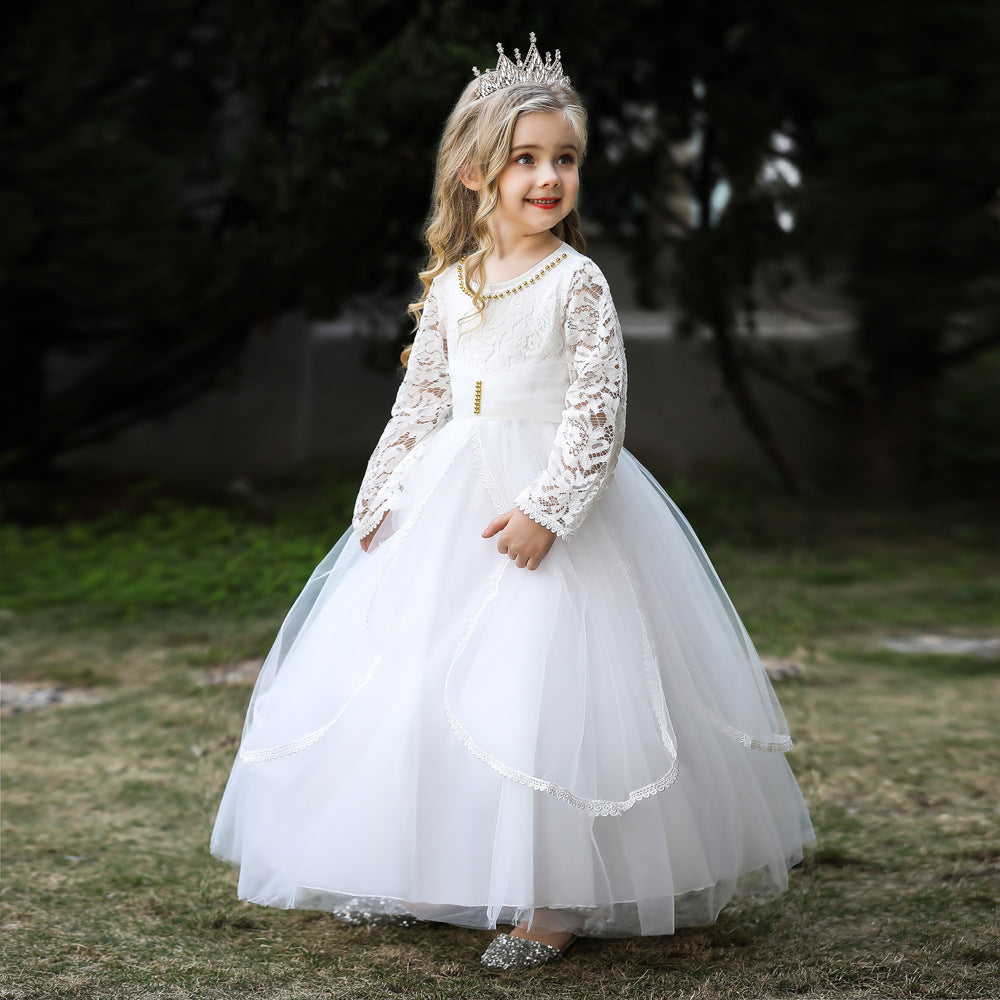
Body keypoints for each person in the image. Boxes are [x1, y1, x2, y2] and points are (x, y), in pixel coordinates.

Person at [210, 33, 815, 973]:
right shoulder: (455, 282)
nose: (547, 177)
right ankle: (428, 867)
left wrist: (549, 510)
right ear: (473, 173)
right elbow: (422, 399)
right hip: (448, 501)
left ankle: (553, 897)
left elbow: (598, 409)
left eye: (563, 159)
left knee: (542, 689)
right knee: (424, 677)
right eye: (525, 159)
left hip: (544, 506)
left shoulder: (577, 281)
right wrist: (381, 493)